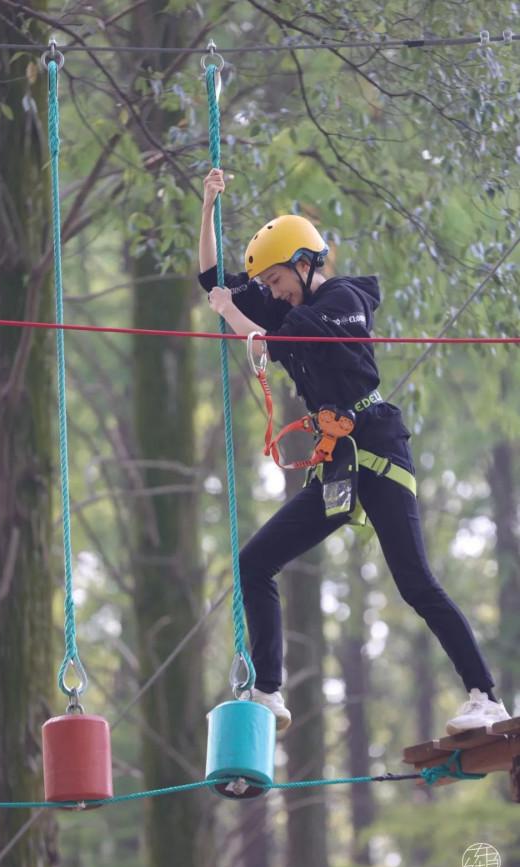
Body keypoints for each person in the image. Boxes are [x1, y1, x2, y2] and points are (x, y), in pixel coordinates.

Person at [198, 166, 512, 735]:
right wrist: (207, 207)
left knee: (416, 582)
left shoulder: (344, 301)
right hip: (338, 464)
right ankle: (268, 691)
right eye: (266, 286)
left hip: (379, 450)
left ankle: (485, 695)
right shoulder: (286, 305)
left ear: (304, 263)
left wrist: (230, 312)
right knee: (253, 563)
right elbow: (209, 278)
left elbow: (270, 340)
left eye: (276, 280)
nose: (272, 293)